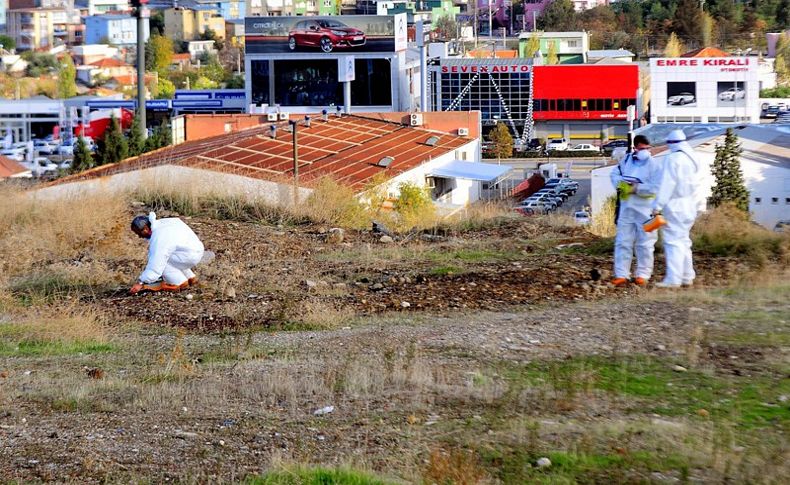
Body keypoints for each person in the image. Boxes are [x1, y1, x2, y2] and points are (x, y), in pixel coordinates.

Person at [609, 134, 662, 287]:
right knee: (622, 242)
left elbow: (656, 187)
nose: (644, 151)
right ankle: (621, 274)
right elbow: (614, 174)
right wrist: (622, 186)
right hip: (626, 208)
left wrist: (637, 188)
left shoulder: (654, 165)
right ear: (635, 148)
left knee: (645, 243)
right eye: (641, 148)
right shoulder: (626, 160)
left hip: (646, 210)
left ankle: (643, 275)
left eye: (647, 148)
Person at [652, 129, 701, 288]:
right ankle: (687, 276)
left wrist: (657, 206)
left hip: (675, 205)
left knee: (673, 242)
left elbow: (667, 185)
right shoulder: (692, 157)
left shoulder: (673, 159)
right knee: (684, 241)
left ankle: (673, 279)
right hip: (690, 204)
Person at [129, 212, 205, 294]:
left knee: (162, 260)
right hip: (196, 250)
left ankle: (178, 282)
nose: (140, 236)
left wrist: (140, 283)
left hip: (188, 256)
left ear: (145, 229)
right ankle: (191, 277)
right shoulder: (165, 223)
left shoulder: (159, 237)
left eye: (139, 233)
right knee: (173, 254)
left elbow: (156, 265)